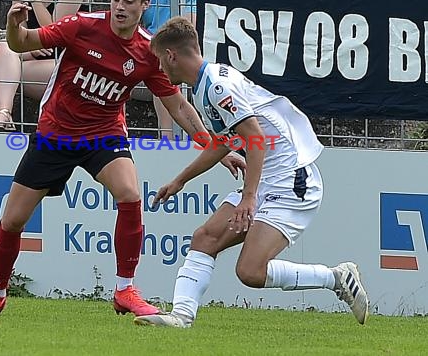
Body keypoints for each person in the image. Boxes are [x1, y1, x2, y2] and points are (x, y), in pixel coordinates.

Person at [0, 0, 243, 316]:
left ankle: (124, 290)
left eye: (129, 1)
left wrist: (217, 149)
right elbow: (22, 43)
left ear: (144, 5)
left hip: (104, 135)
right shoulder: (82, 27)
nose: (120, 6)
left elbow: (178, 105)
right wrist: (15, 25)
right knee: (13, 220)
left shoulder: (149, 52)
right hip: (55, 133)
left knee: (130, 194)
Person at [133, 17, 370, 327]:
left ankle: (336, 278)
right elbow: (225, 141)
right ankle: (181, 316)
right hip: (270, 179)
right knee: (204, 238)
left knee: (251, 272)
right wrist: (180, 180)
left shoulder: (217, 86)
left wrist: (249, 196)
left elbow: (255, 138)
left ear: (171, 56)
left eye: (160, 61)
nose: (161, 69)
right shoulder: (207, 84)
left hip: (292, 181)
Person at [0, 0, 90, 132]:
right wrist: (31, 46)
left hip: (70, 62)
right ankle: (3, 114)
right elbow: (16, 41)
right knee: (2, 48)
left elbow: (55, 31)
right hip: (39, 61)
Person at [131, 0, 206, 139]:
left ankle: (168, 141)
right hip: (149, 54)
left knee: (166, 62)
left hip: (181, 57)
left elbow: (186, 32)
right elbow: (126, 26)